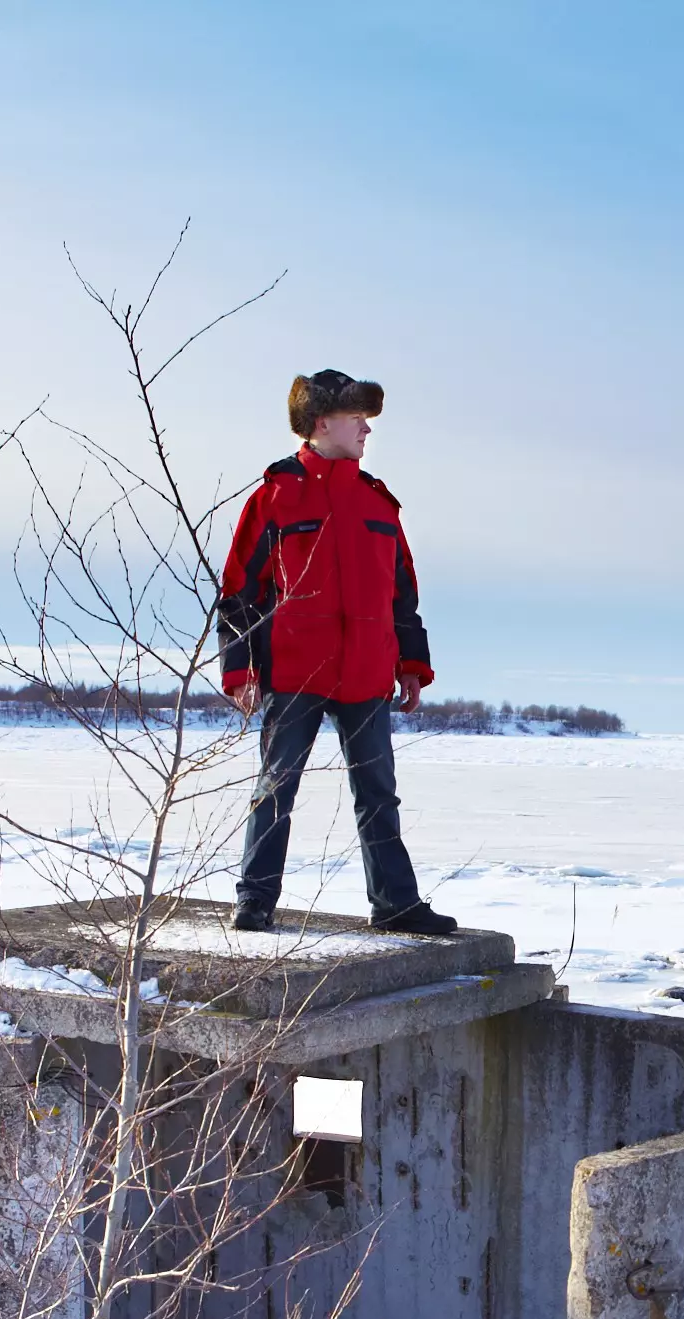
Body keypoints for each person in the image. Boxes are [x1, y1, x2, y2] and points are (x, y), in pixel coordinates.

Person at [216, 369, 457, 936]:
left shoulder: (378, 504)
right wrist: (241, 668)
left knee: (379, 792)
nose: (367, 432)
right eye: (358, 421)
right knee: (277, 786)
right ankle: (254, 903)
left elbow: (402, 593)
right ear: (323, 423)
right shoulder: (274, 497)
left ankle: (395, 904)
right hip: (296, 668)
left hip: (367, 670)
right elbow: (239, 591)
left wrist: (411, 663)